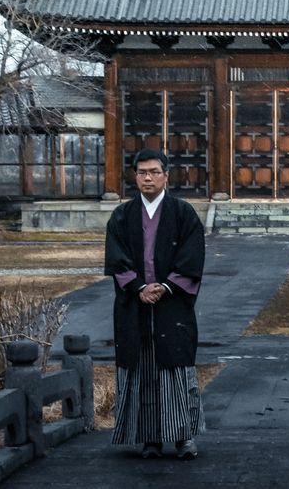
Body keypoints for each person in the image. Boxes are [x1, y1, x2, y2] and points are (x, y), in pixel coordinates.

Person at [104, 148, 206, 459]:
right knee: (142, 370)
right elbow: (116, 257)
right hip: (135, 305)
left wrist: (164, 286)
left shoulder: (183, 213)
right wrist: (137, 288)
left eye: (154, 172)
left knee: (175, 370)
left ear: (166, 175)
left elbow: (192, 257)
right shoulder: (122, 215)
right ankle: (149, 439)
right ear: (135, 176)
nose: (148, 177)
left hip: (172, 304)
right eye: (142, 172)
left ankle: (184, 438)